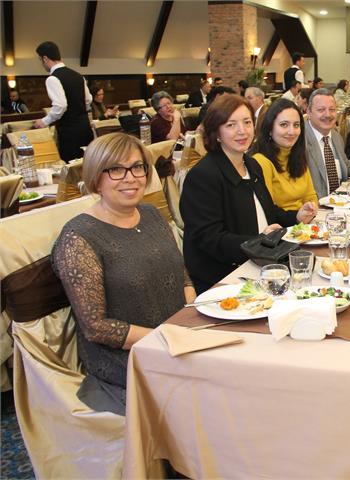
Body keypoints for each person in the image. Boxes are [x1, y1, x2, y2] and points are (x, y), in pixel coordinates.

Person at [52, 132, 195, 415]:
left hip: (175, 338)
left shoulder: (151, 214)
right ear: (96, 177)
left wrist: (189, 317)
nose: (131, 178)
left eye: (137, 167)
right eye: (116, 170)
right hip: (126, 358)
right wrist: (163, 338)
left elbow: (182, 275)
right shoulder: (78, 238)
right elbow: (96, 327)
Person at [180, 94, 317, 293]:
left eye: (247, 122)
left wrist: (296, 216)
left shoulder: (251, 165)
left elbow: (268, 212)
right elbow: (210, 238)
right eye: (231, 125)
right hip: (224, 278)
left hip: (260, 263)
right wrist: (258, 242)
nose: (242, 131)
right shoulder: (203, 176)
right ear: (216, 132)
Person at [251, 99, 318, 210]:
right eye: (284, 125)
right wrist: (298, 216)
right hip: (283, 220)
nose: (292, 132)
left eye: (296, 125)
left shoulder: (296, 155)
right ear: (270, 128)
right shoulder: (261, 161)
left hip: (306, 219)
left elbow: (310, 195)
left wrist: (311, 209)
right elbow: (267, 209)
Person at [33, 41, 93, 161]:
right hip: (85, 128)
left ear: (45, 58)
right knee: (87, 163)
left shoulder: (53, 78)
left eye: (40, 60)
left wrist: (44, 121)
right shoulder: (78, 76)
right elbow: (88, 100)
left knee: (70, 167)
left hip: (69, 133)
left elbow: (61, 105)